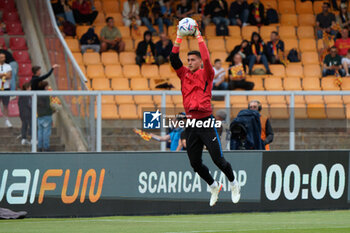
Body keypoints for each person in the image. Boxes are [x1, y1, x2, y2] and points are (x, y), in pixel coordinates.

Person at [169, 21, 241, 206]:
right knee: (195, 163)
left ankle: (233, 183)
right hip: (192, 124)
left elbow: (208, 59)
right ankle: (214, 185)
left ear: (200, 62)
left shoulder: (206, 73)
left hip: (206, 122)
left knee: (218, 160)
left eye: (193, 60)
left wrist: (198, 35)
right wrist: (179, 36)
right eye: (188, 60)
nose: (189, 62)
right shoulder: (183, 74)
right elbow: (173, 58)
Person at [37, 81, 55, 152]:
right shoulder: (46, 95)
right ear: (45, 87)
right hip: (46, 115)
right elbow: (48, 106)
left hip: (39, 115)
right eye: (47, 86)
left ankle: (39, 147)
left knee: (40, 132)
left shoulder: (37, 94)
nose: (48, 88)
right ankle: (46, 147)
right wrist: (53, 110)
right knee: (46, 132)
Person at [0, 52, 12, 128]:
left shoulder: (8, 66)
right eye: (1, 57)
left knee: (5, 105)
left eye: (3, 57)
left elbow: (9, 76)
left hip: (6, 88)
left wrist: (3, 75)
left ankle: (7, 120)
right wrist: (4, 74)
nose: (3, 59)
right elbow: (6, 75)